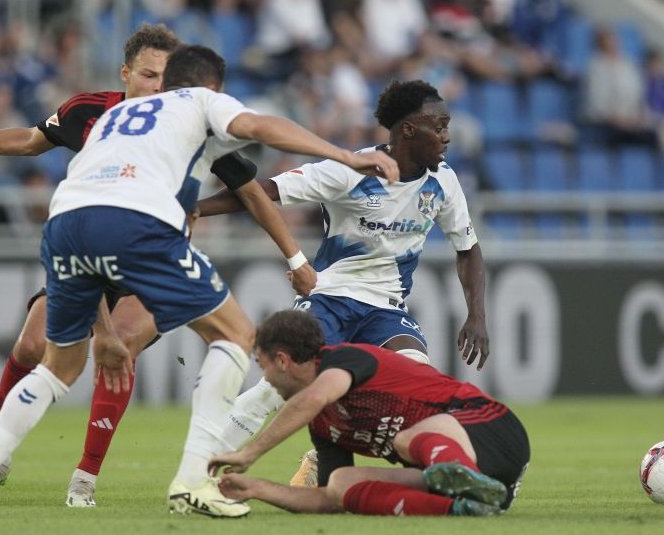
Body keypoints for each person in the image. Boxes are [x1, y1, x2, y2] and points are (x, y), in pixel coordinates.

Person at [0, 44, 398, 519]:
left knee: (57, 366)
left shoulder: (118, 115)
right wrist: (345, 155)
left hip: (65, 224)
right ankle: (193, 481)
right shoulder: (198, 100)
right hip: (137, 224)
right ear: (210, 85)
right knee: (237, 334)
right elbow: (261, 127)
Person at [0, 23, 198, 508]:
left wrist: (288, 250)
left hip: (151, 256)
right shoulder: (89, 111)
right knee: (31, 344)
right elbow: (28, 139)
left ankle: (85, 478)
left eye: (167, 77)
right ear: (126, 73)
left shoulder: (189, 122)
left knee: (119, 345)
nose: (158, 87)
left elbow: (237, 179)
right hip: (89, 245)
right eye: (148, 75)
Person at [197, 79, 489, 481]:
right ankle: (199, 473)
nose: (447, 136)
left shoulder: (443, 182)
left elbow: (468, 248)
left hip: (386, 309)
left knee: (416, 378)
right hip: (330, 298)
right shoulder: (350, 170)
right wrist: (193, 211)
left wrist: (477, 315)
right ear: (408, 130)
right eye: (438, 126)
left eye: (447, 125)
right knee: (276, 387)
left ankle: (324, 462)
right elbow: (264, 191)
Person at [209, 310, 530, 516]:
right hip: (447, 468)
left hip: (491, 429)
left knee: (406, 439)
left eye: (263, 366)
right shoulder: (324, 426)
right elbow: (326, 500)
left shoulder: (343, 360)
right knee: (340, 482)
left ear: (282, 361)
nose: (265, 379)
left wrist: (250, 453)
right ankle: (463, 506)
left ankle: (464, 476)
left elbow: (316, 396)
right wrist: (256, 487)